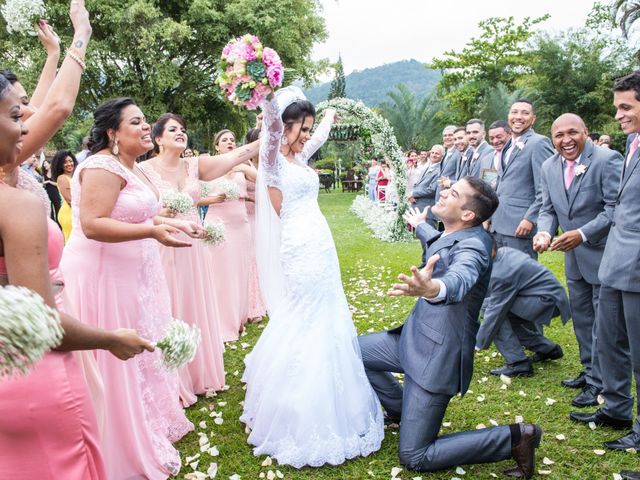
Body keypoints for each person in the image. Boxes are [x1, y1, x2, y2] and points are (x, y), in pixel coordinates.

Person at [0, 66, 152, 480]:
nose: (24, 129)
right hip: (31, 371)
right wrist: (110, 339)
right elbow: (44, 326)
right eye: (16, 117)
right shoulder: (16, 204)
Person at [359, 177, 542, 478]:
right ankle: (402, 409)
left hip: (436, 357)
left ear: (468, 214)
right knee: (354, 352)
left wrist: (434, 288)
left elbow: (460, 277)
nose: (443, 193)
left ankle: (516, 437)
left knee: (415, 456)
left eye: (453, 193)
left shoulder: (475, 247)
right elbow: (438, 241)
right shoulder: (459, 231)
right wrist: (420, 225)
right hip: (412, 338)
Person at [241, 86, 384, 468]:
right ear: (283, 125)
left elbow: (317, 136)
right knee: (305, 313)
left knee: (325, 311)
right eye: (300, 128)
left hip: (320, 241)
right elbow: (272, 127)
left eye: (307, 129)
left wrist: (331, 116)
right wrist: (265, 91)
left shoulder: (300, 155)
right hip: (297, 243)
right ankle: (293, 404)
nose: (306, 135)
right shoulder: (271, 158)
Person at [570, 71, 640, 450]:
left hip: (638, 267)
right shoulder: (631, 143)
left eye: (626, 107)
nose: (619, 115)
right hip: (613, 261)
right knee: (608, 339)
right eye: (617, 108)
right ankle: (615, 408)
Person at [534, 114, 623, 406]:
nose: (566, 140)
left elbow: (614, 209)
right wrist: (544, 233)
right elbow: (547, 208)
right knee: (583, 320)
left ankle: (600, 382)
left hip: (604, 255)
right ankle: (589, 372)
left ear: (585, 132)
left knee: (603, 325)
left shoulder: (607, 159)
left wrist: (582, 234)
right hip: (573, 259)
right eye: (559, 135)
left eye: (572, 132)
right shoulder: (549, 166)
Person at [139, 113, 226, 406]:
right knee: (169, 305)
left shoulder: (193, 166)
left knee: (195, 302)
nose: (180, 133)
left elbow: (205, 190)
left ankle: (200, 374)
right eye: (173, 129)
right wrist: (167, 216)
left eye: (183, 129)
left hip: (194, 244)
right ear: (158, 138)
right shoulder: (143, 170)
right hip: (164, 243)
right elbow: (143, 211)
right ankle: (172, 377)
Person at [478, 243, 569, 377]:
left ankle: (518, 363)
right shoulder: (503, 252)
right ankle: (548, 349)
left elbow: (494, 312)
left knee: (490, 310)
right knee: (505, 318)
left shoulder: (501, 273)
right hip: (546, 297)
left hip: (546, 302)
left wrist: (477, 343)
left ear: (490, 251)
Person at [200, 129, 255, 341]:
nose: (230, 142)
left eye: (232, 139)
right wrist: (214, 199)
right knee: (221, 274)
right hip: (218, 223)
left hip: (241, 223)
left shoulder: (243, 166)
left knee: (241, 272)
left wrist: (242, 170)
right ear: (217, 146)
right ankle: (222, 323)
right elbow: (193, 196)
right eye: (225, 140)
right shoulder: (208, 166)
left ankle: (239, 318)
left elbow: (263, 184)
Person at [490, 99, 554, 259]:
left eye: (525, 113)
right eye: (514, 112)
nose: (518, 117)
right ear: (508, 116)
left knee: (520, 278)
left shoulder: (538, 143)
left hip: (520, 226)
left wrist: (530, 219)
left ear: (533, 118)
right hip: (498, 225)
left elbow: (545, 189)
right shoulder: (507, 146)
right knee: (499, 277)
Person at [244, 127, 267, 322]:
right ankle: (253, 303)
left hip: (267, 218)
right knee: (252, 258)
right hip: (249, 218)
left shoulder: (269, 165)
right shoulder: (244, 166)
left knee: (268, 256)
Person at [50, 149, 77, 241]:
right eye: (65, 162)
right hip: (69, 213)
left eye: (70, 161)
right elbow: (70, 201)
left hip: (75, 211)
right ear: (60, 165)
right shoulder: (62, 178)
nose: (69, 164)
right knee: (72, 241)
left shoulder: (73, 177)